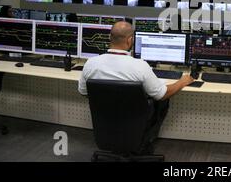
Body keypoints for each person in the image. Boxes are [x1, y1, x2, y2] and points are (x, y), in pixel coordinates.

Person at [78, 21, 194, 152]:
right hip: (135, 119)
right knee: (162, 101)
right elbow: (161, 94)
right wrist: (183, 81)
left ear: (109, 38)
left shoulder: (90, 63)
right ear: (130, 40)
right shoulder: (140, 66)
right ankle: (144, 141)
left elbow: (83, 92)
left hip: (104, 121)